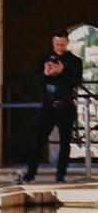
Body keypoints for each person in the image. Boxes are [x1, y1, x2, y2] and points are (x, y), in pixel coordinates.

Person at [22, 31, 85, 184]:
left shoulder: (75, 61)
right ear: (52, 43)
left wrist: (62, 72)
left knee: (65, 142)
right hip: (48, 105)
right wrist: (45, 73)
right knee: (39, 140)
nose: (60, 47)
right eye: (57, 44)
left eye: (62, 44)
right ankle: (30, 174)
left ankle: (60, 176)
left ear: (67, 43)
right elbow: (35, 80)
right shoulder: (45, 59)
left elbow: (76, 81)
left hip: (66, 105)